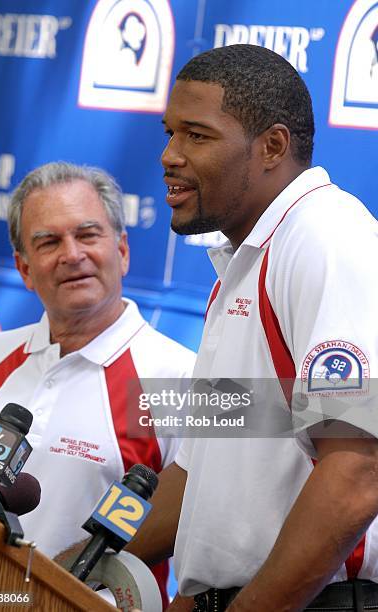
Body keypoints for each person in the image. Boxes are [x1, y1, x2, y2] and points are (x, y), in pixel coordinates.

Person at [125, 44, 378, 611]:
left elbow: (358, 468)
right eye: (170, 133)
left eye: (197, 135)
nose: (169, 154)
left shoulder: (325, 238)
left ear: (272, 147)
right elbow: (197, 473)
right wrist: (66, 570)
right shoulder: (243, 264)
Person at [0, 162, 195, 608]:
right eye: (49, 241)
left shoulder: (180, 378)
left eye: (88, 235)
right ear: (24, 268)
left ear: (123, 250)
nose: (72, 254)